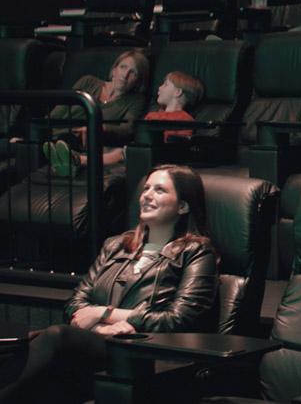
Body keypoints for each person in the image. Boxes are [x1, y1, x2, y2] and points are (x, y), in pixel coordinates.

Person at [0, 164, 218, 404]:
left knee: (58, 336)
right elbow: (75, 304)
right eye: (146, 188)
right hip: (99, 344)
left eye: (159, 190)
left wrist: (103, 312)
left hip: (145, 352)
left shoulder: (196, 252)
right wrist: (99, 330)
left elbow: (177, 320)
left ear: (183, 206)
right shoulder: (115, 245)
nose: (147, 195)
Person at [44, 71, 204, 177]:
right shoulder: (153, 114)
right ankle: (70, 163)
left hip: (153, 156)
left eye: (165, 84)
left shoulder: (184, 118)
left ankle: (78, 160)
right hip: (135, 150)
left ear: (178, 92)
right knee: (113, 150)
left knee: (121, 153)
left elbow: (178, 146)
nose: (159, 88)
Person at [48, 49, 150, 148]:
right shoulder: (88, 82)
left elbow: (127, 129)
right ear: (114, 70)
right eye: (123, 67)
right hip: (54, 136)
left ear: (138, 82)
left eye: (133, 73)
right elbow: (57, 113)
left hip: (85, 146)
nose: (125, 74)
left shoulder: (136, 100)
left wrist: (98, 128)